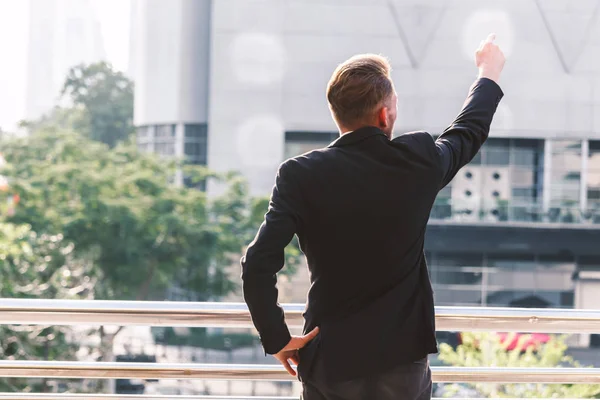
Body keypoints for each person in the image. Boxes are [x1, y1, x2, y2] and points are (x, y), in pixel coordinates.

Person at [241, 33, 505, 399]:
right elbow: (467, 131)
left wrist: (277, 338)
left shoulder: (299, 174)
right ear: (385, 114)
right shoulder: (416, 161)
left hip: (329, 361)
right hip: (401, 365)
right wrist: (487, 72)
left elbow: (256, 264)